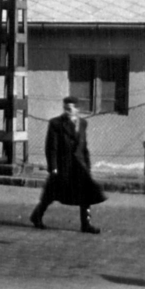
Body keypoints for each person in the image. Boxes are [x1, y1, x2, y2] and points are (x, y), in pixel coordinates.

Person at [30, 96, 106, 233]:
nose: (68, 111)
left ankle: (86, 224)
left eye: (70, 108)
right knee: (51, 193)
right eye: (66, 108)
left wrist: (87, 165)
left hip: (80, 166)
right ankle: (37, 215)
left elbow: (83, 146)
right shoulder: (56, 124)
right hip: (63, 166)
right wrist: (53, 167)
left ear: (77, 109)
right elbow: (51, 147)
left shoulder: (82, 123)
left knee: (86, 194)